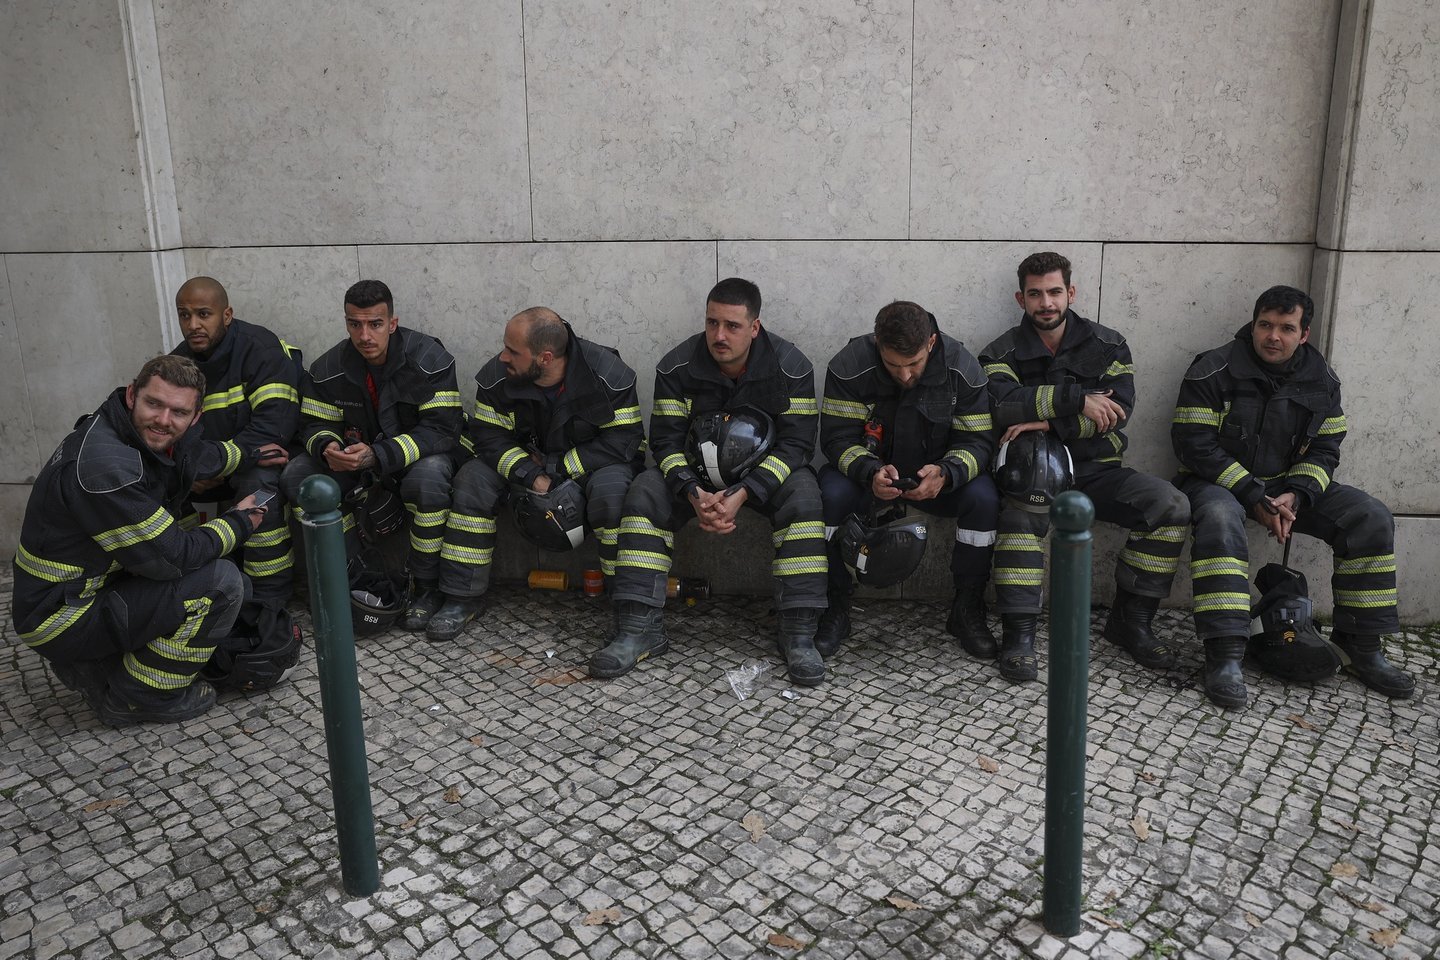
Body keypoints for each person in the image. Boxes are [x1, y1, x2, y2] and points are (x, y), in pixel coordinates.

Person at [1172, 284, 1415, 708]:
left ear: (1304, 333)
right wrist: (1252, 495)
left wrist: (1296, 495)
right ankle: (1225, 654)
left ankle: (1361, 644)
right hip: (1218, 483)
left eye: (1286, 328)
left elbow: (1326, 448)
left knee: (1370, 516)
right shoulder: (1212, 370)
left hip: (1290, 488)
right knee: (1220, 518)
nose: (1273, 336)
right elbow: (1194, 445)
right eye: (1265, 325)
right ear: (1253, 325)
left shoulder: (1321, 379)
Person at [10, 355, 270, 725]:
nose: (164, 420)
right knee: (223, 584)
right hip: (60, 615)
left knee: (227, 580)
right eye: (154, 404)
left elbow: (195, 455)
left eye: (178, 412)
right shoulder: (108, 468)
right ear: (132, 395)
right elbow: (173, 559)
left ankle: (99, 665)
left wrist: (251, 454)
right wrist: (240, 523)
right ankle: (140, 697)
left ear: (195, 418)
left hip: (76, 594)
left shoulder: (129, 432)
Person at [606, 278, 829, 685]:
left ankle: (799, 634)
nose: (719, 336)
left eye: (731, 326)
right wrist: (692, 492)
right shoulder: (677, 366)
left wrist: (744, 493)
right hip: (694, 478)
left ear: (755, 327)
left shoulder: (791, 367)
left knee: (804, 498)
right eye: (711, 323)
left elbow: (797, 443)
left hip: (763, 477)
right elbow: (665, 441)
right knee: (645, 492)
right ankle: (638, 629)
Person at [979, 251, 1190, 682]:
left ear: (1070, 292)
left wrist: (1043, 419)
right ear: (1021, 299)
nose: (1047, 303)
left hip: (1098, 470)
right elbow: (1001, 406)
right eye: (1035, 294)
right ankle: (1019, 637)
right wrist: (1077, 401)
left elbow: (1116, 412)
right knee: (1020, 515)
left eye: (1055, 292)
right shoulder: (999, 351)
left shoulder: (1109, 345)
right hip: (1032, 472)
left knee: (1170, 506)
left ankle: (1131, 620)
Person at [424, 307, 645, 641]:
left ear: (544, 357)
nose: (502, 357)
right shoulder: (497, 378)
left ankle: (626, 608)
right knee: (472, 481)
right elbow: (488, 438)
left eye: (513, 351)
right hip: (524, 466)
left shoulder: (609, 375)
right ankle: (461, 598)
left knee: (612, 494)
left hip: (590, 464)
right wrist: (531, 474)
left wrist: (557, 468)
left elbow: (624, 440)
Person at [817, 300, 998, 656]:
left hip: (936, 482)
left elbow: (978, 443)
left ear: (931, 343)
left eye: (913, 364)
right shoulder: (849, 365)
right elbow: (836, 440)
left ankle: (967, 607)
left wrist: (947, 473)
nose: (904, 376)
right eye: (892, 365)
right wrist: (869, 471)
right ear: (876, 343)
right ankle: (834, 605)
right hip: (868, 480)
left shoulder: (963, 369)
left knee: (985, 498)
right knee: (827, 493)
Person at [280, 280, 464, 629]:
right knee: (299, 475)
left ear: (392, 323)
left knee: (429, 477)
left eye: (375, 324)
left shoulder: (428, 359)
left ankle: (425, 588)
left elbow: (442, 430)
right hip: (359, 463)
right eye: (355, 324)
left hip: (415, 457)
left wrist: (378, 455)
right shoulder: (328, 368)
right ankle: (348, 577)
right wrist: (327, 446)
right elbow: (313, 424)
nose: (365, 335)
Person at [170, 276, 300, 609]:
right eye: (185, 315)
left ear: (226, 315)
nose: (193, 324)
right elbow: (167, 432)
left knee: (257, 486)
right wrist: (192, 470)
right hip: (215, 466)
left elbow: (274, 428)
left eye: (203, 314)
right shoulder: (178, 365)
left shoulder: (260, 349)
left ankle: (269, 604)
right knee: (169, 489)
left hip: (266, 460)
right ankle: (190, 589)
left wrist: (217, 465)